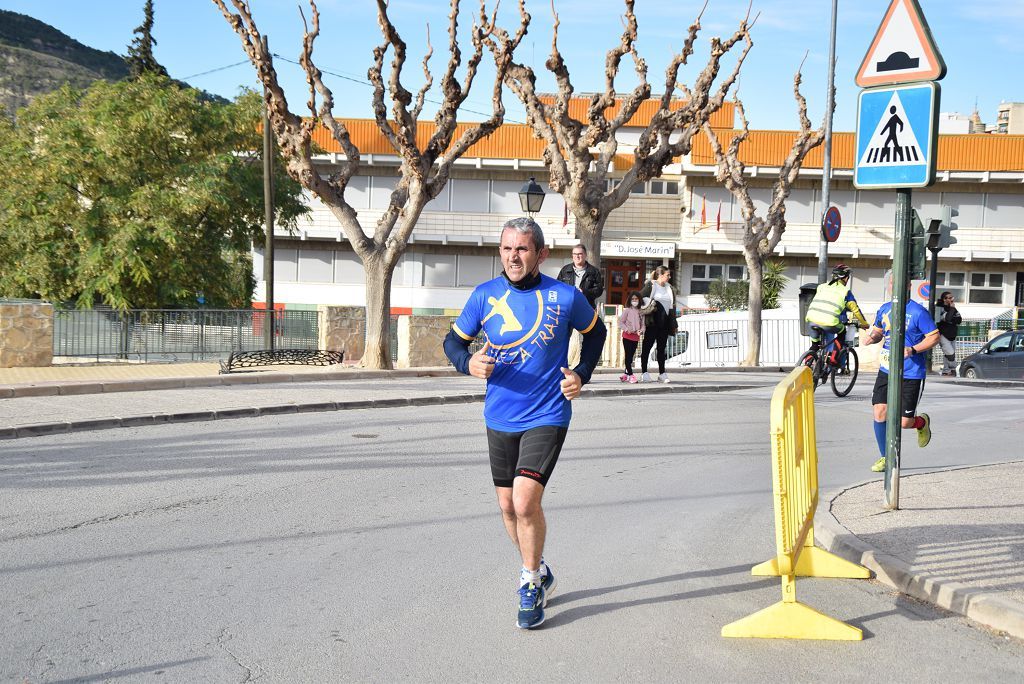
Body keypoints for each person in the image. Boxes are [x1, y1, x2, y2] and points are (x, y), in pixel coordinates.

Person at [443, 217, 607, 629]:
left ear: (540, 254)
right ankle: (539, 566)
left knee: (524, 502)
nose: (513, 257)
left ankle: (530, 581)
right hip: (499, 414)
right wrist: (468, 363)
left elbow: (597, 331)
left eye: (521, 249)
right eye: (506, 248)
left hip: (548, 412)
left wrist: (581, 374)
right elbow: (453, 342)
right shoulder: (485, 296)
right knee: (505, 506)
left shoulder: (564, 296)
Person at [862, 284, 941, 472]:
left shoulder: (918, 312)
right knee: (880, 412)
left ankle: (921, 423)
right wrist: (871, 337)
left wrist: (912, 349)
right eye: (890, 283)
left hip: (911, 373)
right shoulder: (885, 308)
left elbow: (934, 337)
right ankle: (885, 457)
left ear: (908, 285)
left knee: (904, 423)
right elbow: (879, 332)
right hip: (887, 369)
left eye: (897, 282)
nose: (893, 287)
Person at [805, 264, 869, 365]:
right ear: (846, 278)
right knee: (842, 333)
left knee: (815, 345)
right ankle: (834, 357)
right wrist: (864, 323)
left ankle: (807, 362)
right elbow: (856, 310)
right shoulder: (845, 291)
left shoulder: (821, 287)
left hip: (811, 320)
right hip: (829, 323)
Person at [557, 244, 604, 368]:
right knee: (563, 338)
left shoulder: (593, 272)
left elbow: (599, 290)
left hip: (586, 309)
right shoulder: (565, 270)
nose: (577, 256)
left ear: (585, 255)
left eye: (580, 254)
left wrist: (585, 292)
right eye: (575, 254)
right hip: (567, 309)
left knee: (587, 340)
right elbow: (558, 288)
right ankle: (562, 368)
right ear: (572, 256)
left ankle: (582, 370)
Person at [638, 266, 677, 383]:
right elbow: (637, 297)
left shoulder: (670, 288)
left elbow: (672, 307)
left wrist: (674, 323)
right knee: (647, 347)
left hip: (664, 323)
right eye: (667, 275)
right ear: (660, 275)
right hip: (652, 322)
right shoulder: (651, 285)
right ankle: (644, 372)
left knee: (661, 349)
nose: (669, 277)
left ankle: (662, 373)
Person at [618, 291, 645, 383]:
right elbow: (620, 322)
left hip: (635, 337)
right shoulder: (627, 310)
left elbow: (643, 325)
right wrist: (626, 329)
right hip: (627, 336)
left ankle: (626, 374)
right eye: (632, 299)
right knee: (628, 356)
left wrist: (641, 331)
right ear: (630, 300)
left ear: (639, 300)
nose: (634, 300)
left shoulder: (641, 312)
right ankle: (631, 375)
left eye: (636, 299)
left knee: (631, 356)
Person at [935, 291, 962, 376]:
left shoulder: (953, 308)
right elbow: (947, 319)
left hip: (953, 334)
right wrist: (952, 310)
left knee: (948, 353)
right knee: (950, 353)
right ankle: (954, 367)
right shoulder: (940, 308)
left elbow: (959, 320)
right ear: (944, 299)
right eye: (950, 298)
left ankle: (946, 371)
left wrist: (951, 316)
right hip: (943, 334)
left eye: (952, 297)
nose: (952, 299)